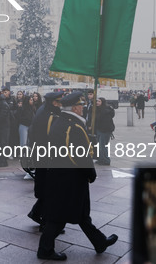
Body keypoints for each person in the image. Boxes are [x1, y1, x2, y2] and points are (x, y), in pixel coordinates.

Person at [37, 92, 117, 260]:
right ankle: (45, 249)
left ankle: (99, 242)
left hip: (60, 174)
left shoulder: (61, 121)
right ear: (74, 107)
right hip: (70, 178)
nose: (83, 107)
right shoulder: (74, 126)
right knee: (58, 217)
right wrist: (90, 173)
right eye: (80, 105)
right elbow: (80, 156)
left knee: (81, 214)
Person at [27, 91, 63, 229]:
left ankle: (36, 213)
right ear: (54, 102)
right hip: (46, 156)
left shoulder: (44, 110)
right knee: (50, 189)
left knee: (47, 188)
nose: (61, 104)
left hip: (41, 154)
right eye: (59, 101)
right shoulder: (48, 115)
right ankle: (46, 224)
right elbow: (50, 137)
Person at [95, 97, 115, 166]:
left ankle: (106, 160)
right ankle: (101, 159)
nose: (97, 102)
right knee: (100, 145)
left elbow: (106, 122)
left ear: (102, 102)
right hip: (99, 129)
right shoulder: (98, 109)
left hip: (105, 130)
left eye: (99, 101)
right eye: (97, 101)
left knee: (103, 146)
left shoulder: (105, 111)